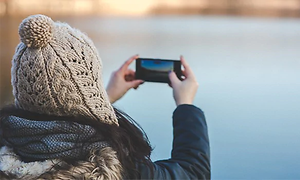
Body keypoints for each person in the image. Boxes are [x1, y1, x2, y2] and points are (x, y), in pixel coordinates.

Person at [0, 14, 210, 179]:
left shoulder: (6, 152)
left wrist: (107, 96)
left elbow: (56, 124)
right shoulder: (120, 169)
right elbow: (192, 172)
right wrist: (185, 105)